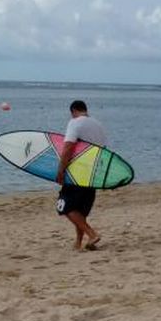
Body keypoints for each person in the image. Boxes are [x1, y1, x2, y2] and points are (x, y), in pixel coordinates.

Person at [55, 100, 107, 251]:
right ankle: (79, 243)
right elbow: (104, 151)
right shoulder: (98, 125)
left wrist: (60, 169)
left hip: (77, 172)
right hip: (92, 172)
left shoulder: (75, 123)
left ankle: (92, 234)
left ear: (73, 111)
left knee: (64, 206)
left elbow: (68, 147)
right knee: (81, 209)